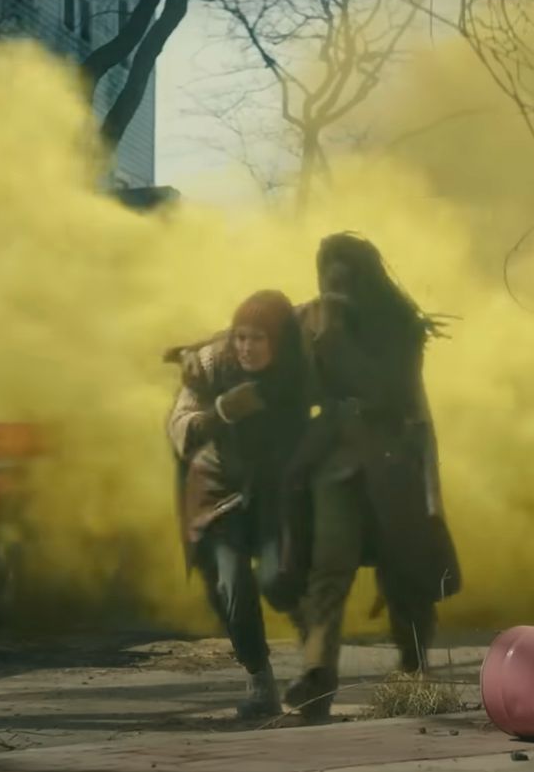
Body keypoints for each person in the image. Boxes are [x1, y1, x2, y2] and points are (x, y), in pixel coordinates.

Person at [282, 232, 462, 721]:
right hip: (336, 462)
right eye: (327, 272)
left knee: (405, 572)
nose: (333, 284)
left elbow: (390, 390)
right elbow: (280, 370)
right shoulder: (310, 320)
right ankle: (317, 676)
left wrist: (335, 332)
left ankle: (414, 668)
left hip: (391, 459)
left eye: (343, 273)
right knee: (326, 569)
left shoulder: (397, 326)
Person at [165, 290, 311, 718]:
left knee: (277, 579)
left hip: (275, 490)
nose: (246, 347)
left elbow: (313, 315)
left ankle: (317, 655)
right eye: (241, 337)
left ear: (278, 340)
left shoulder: (302, 367)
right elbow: (180, 420)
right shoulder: (214, 363)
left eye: (258, 338)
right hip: (219, 489)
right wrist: (220, 414)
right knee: (231, 586)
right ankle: (260, 682)